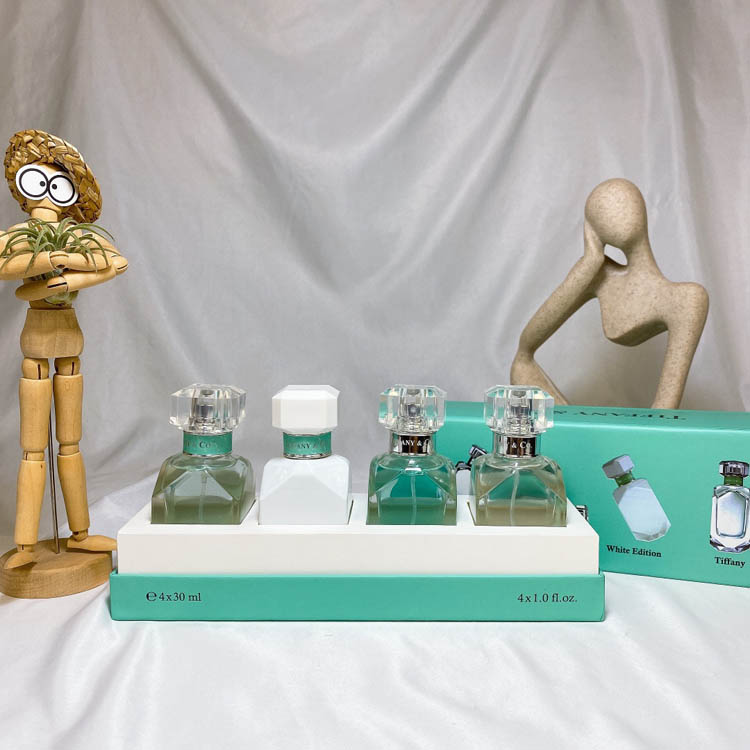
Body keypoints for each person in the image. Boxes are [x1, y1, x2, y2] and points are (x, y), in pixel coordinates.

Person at [0, 130, 128, 569]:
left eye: (58, 185)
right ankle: (25, 545)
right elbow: (6, 263)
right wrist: (48, 263)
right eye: (39, 181)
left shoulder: (75, 236)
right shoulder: (21, 235)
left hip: (69, 337)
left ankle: (80, 534)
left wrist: (68, 277)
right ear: (22, 184)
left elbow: (115, 261)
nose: (48, 193)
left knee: (70, 443)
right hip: (37, 341)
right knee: (33, 446)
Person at [511, 178, 708, 409]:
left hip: (647, 427)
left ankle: (589, 430)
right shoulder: (598, 276)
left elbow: (664, 408)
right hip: (583, 426)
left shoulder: (687, 300)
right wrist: (590, 261)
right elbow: (526, 347)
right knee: (520, 366)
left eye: (621, 203)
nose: (615, 212)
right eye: (603, 210)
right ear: (592, 229)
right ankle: (576, 430)